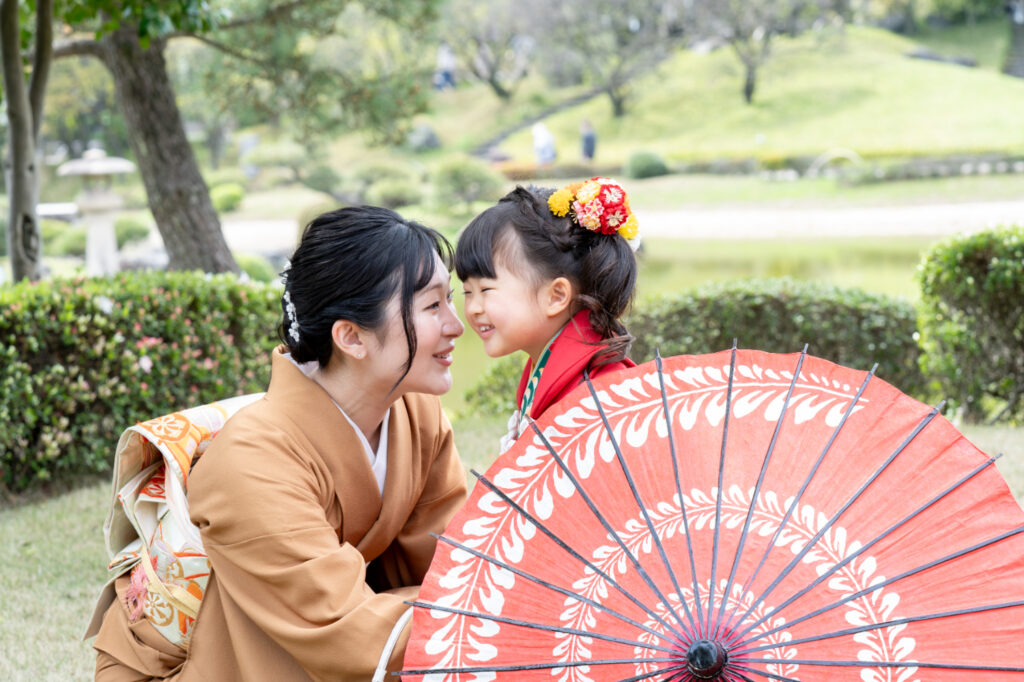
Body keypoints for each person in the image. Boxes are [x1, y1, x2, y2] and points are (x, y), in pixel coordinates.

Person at [93, 206, 468, 681]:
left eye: (450, 301)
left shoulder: (417, 414)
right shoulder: (251, 460)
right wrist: (501, 620)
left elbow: (454, 564)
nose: (457, 325)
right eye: (433, 306)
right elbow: (342, 628)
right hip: (208, 663)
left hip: (312, 637)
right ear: (351, 337)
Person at [456, 179, 641, 452]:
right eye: (467, 292)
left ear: (556, 296)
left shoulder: (603, 397)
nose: (473, 308)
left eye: (485, 289)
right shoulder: (554, 367)